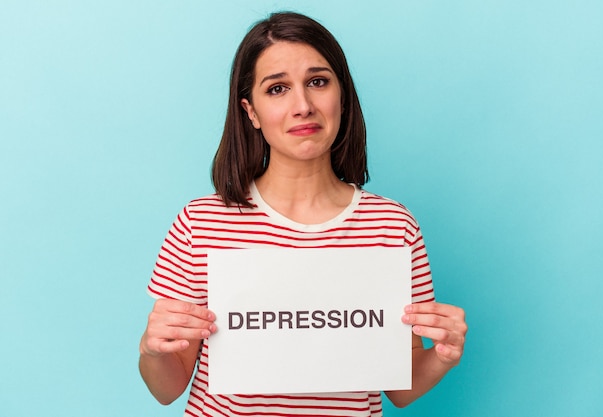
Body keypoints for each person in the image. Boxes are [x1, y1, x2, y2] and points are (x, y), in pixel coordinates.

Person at [139, 11, 467, 417]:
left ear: (341, 96)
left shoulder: (391, 226)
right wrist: (153, 349)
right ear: (251, 112)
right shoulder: (201, 223)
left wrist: (443, 357)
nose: (302, 105)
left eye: (317, 82)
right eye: (277, 89)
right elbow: (167, 388)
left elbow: (399, 388)